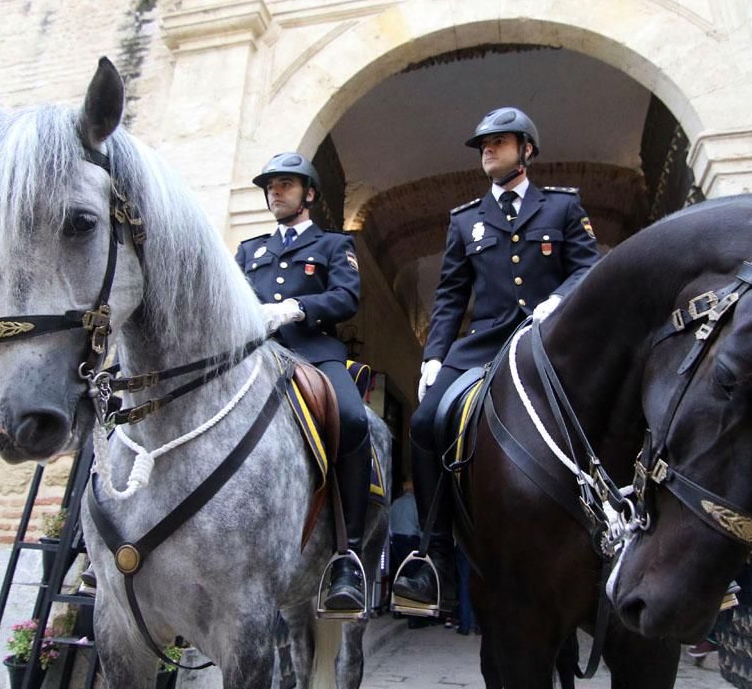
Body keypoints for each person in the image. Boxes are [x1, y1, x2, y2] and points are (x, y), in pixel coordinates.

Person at [391, 107, 601, 612]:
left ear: (527, 150)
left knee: (617, 398)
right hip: (484, 343)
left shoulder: (562, 208)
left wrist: (558, 302)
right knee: (423, 424)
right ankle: (434, 556)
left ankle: (635, 529)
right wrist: (433, 359)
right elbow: (449, 297)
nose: (488, 149)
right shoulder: (465, 220)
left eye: (500, 141)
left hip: (553, 337)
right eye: (483, 143)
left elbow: (589, 267)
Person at [234, 152, 371, 613]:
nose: (276, 191)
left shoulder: (334, 245)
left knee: (352, 421)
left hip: (312, 351)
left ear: (309, 193)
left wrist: (297, 307)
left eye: (287, 184)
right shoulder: (249, 250)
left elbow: (347, 296)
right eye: (271, 185)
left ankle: (347, 555)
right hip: (254, 352)